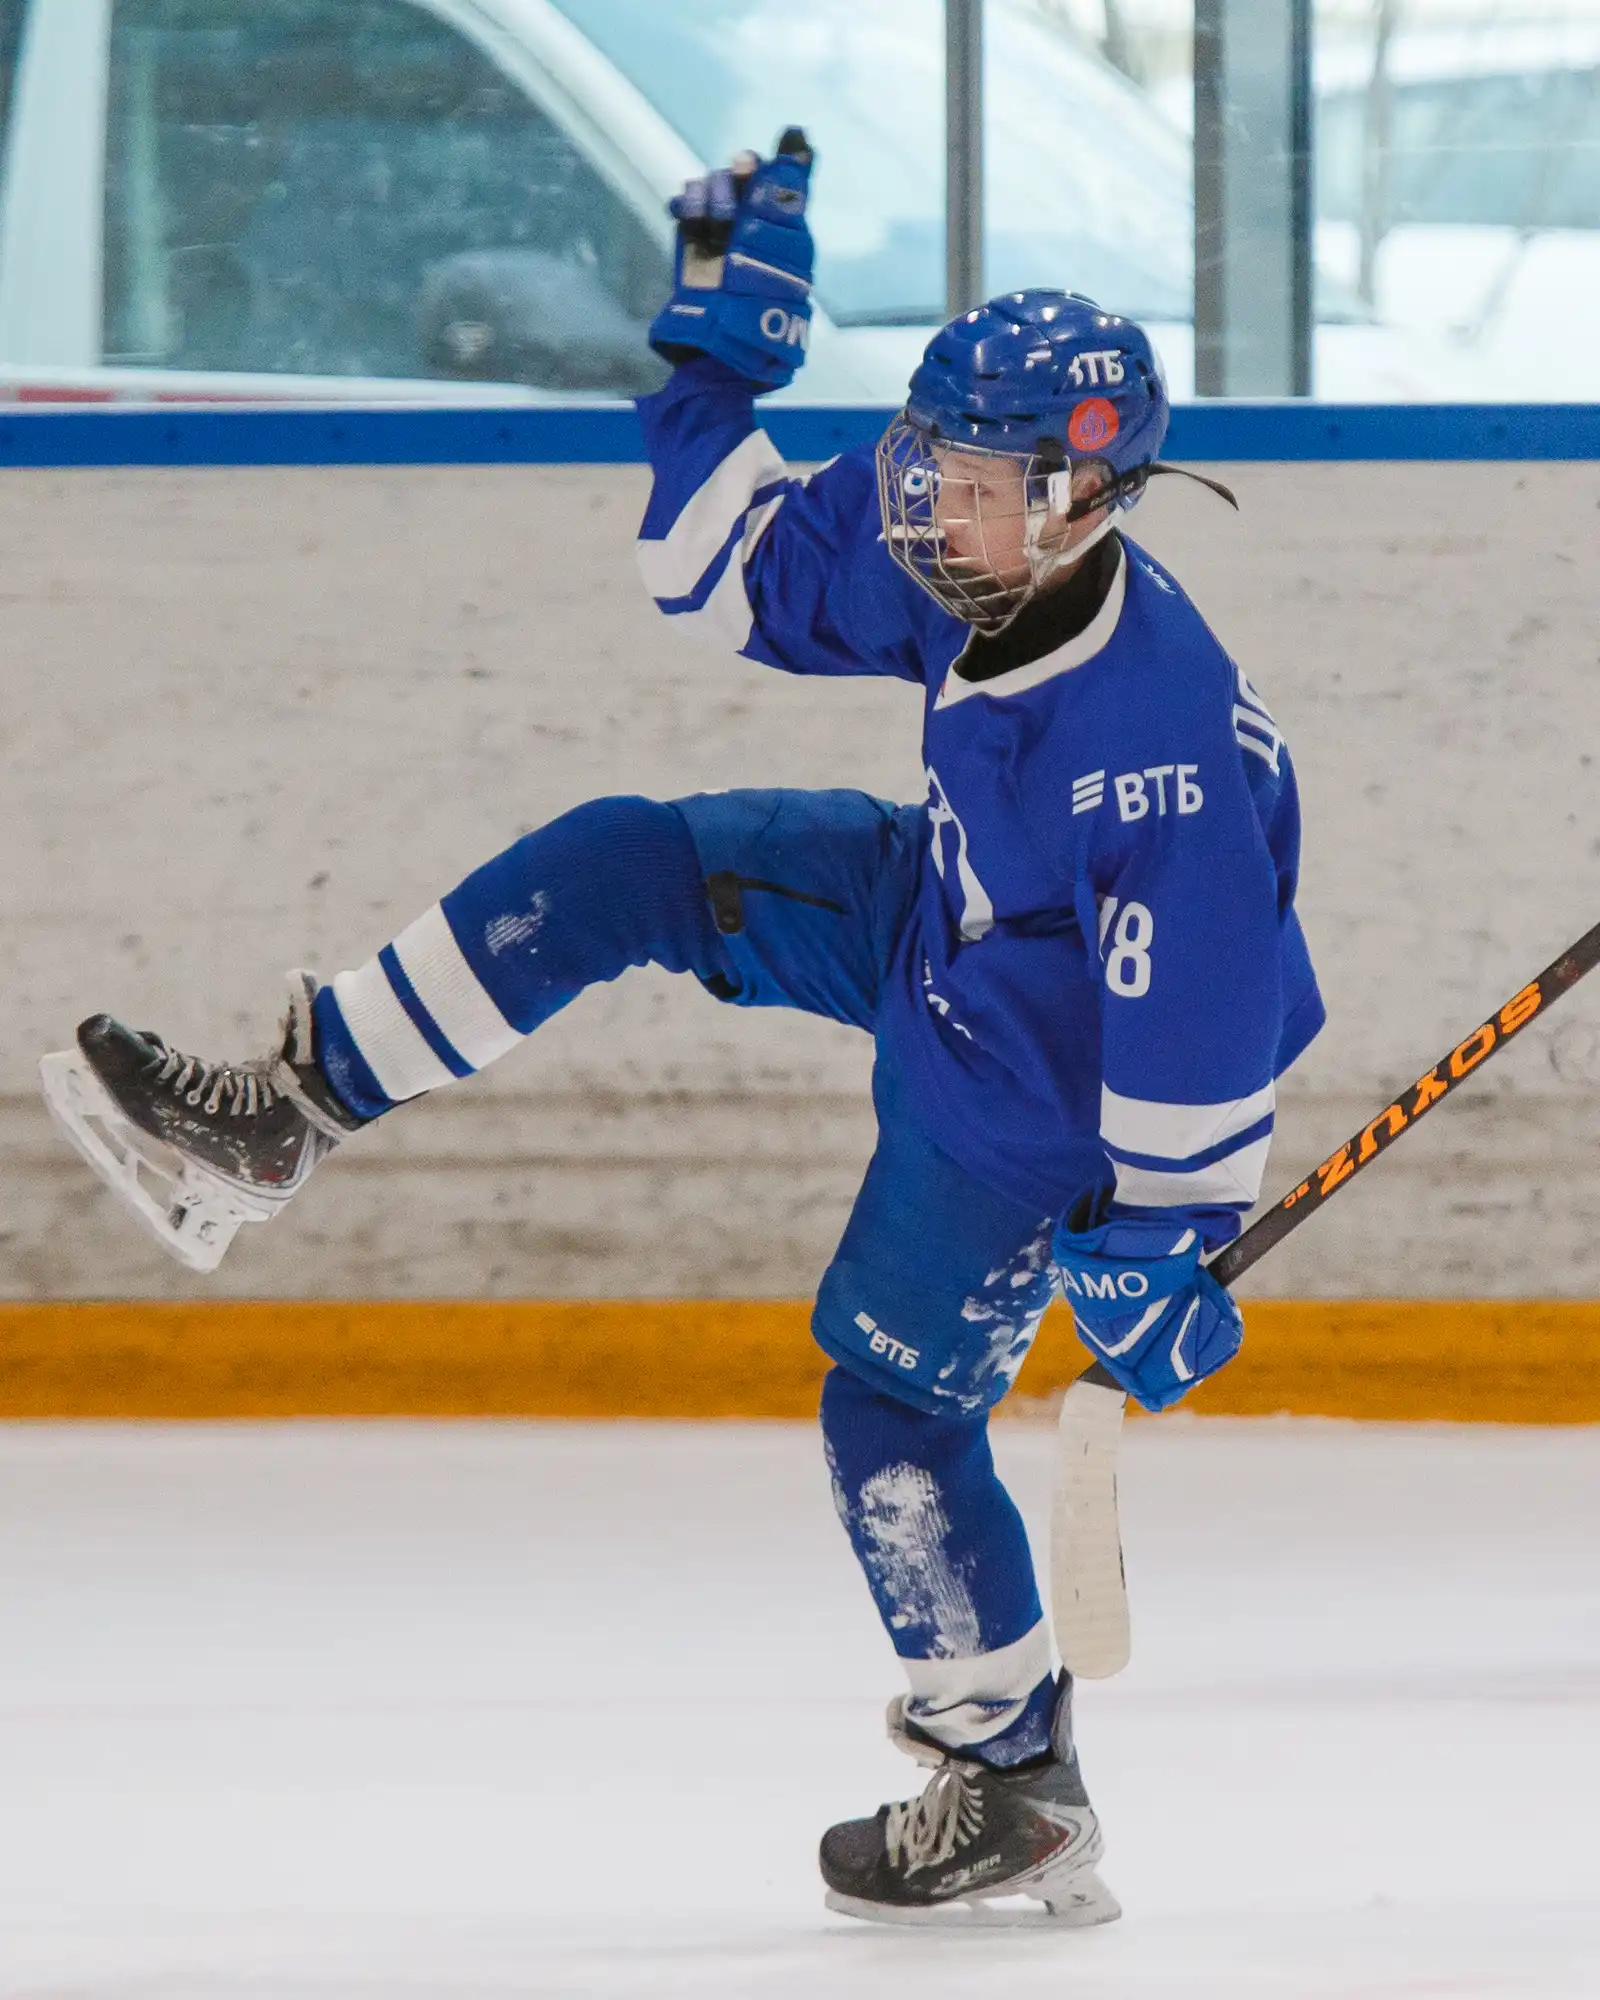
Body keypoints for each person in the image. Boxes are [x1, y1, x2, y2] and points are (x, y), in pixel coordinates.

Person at [39, 132, 1323, 1927]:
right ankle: (287, 1111)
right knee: (635, 863)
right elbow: (720, 578)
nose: (922, 505)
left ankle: (1010, 1773)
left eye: (967, 482)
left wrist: (1164, 1231)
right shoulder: (986, 563)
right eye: (929, 461)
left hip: (1036, 1089)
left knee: (891, 1416)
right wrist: (717, 364)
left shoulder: (1151, 746)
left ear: (1078, 498)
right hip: (945, 916)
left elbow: (1205, 1013)